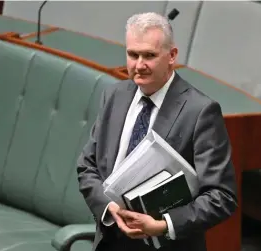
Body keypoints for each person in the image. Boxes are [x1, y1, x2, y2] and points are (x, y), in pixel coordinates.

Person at [77, 12, 238, 251]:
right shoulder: (114, 96)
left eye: (149, 56)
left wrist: (163, 224)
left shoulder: (200, 111)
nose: (139, 65)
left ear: (172, 56)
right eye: (133, 55)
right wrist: (109, 208)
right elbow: (87, 166)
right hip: (112, 240)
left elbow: (221, 196)